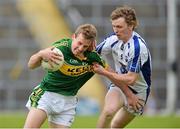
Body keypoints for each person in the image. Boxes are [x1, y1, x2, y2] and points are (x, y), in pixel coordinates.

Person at [24, 23, 106, 128]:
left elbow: (111, 73)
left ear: (91, 44)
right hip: (47, 95)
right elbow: (31, 65)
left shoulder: (93, 57)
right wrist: (41, 54)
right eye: (79, 43)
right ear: (73, 37)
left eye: (85, 46)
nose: (81, 48)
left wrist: (129, 94)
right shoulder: (60, 49)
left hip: (68, 102)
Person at [94, 6, 152, 128]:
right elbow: (93, 54)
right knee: (108, 112)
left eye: (119, 27)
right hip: (119, 85)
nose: (115, 30)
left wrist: (105, 72)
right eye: (114, 26)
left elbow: (131, 79)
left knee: (116, 125)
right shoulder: (113, 39)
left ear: (131, 26)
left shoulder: (138, 47)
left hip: (138, 93)